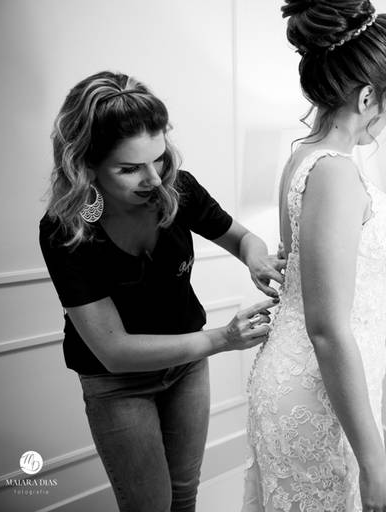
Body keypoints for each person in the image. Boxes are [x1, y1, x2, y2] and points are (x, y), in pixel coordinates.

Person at [39, 71, 286, 512]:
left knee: (185, 493)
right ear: (86, 165)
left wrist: (256, 259)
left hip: (187, 368)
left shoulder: (178, 188)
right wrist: (223, 339)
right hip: (118, 385)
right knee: (150, 506)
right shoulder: (66, 230)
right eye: (130, 168)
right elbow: (114, 352)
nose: (154, 179)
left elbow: (245, 239)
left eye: (158, 159)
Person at [242, 1, 386, 511]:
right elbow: (328, 328)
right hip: (317, 393)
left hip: (314, 378)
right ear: (367, 96)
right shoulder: (334, 172)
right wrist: (376, 466)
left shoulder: (303, 156)